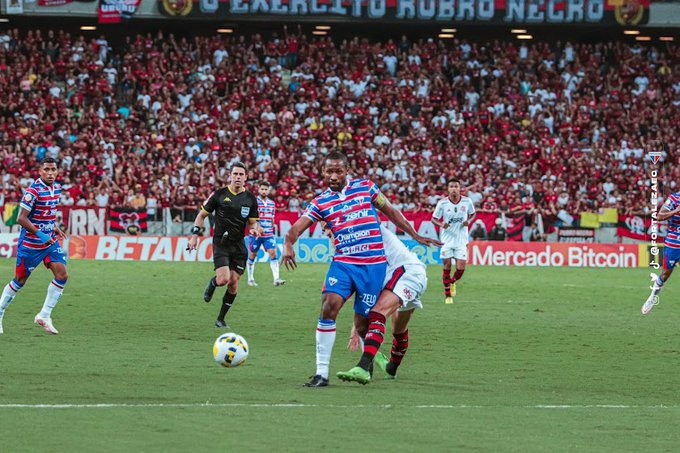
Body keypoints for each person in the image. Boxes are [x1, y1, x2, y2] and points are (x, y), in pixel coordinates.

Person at [282, 151, 439, 388]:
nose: (333, 175)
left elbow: (392, 212)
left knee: (365, 323)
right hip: (344, 263)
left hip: (373, 267)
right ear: (323, 172)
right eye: (329, 171)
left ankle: (368, 366)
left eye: (338, 170)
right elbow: (297, 228)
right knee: (328, 306)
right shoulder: (320, 202)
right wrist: (287, 243)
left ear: (346, 171)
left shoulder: (366, 188)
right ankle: (321, 374)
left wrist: (414, 234)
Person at [337, 226, 428, 384]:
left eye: (328, 229)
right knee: (398, 329)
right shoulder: (349, 246)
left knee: (377, 314)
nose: (328, 233)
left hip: (408, 271)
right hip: (393, 278)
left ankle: (363, 368)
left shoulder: (366, 226)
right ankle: (391, 368)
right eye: (325, 230)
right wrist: (356, 326)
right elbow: (365, 288)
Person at [187, 162, 263, 328]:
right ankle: (213, 283)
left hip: (238, 245)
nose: (237, 177)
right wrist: (194, 236)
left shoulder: (250, 199)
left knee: (234, 282)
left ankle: (220, 319)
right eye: (235, 174)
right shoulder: (219, 195)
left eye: (241, 174)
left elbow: (253, 223)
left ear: (246, 177)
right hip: (221, 243)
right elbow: (201, 216)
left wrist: (256, 229)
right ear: (230, 176)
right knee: (223, 280)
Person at [0, 157, 68, 335]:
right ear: (40, 171)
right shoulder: (33, 191)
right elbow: (21, 218)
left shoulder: (57, 188)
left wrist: (54, 228)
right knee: (19, 281)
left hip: (49, 242)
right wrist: (41, 234)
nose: (51, 173)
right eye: (47, 169)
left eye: (53, 169)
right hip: (31, 244)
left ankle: (44, 315)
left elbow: (46, 214)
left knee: (62, 275)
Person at [431, 179, 476, 305]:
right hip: (447, 240)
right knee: (447, 267)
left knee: (461, 268)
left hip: (461, 240)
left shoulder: (467, 201)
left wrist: (469, 221)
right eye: (451, 186)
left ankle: (452, 282)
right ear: (448, 189)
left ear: (460, 188)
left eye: (456, 186)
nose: (454, 188)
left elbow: (473, 214)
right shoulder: (442, 203)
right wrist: (441, 224)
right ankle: (448, 296)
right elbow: (433, 219)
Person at [642, 192, 680, 315]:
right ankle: (652, 297)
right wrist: (676, 211)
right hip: (674, 243)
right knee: (665, 275)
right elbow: (659, 216)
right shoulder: (674, 199)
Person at [245, 181, 285, 287]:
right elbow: (250, 218)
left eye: (265, 189)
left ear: (269, 190)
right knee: (253, 255)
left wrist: (272, 229)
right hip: (256, 235)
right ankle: (250, 279)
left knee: (273, 253)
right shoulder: (254, 202)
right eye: (262, 189)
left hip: (268, 234)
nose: (264, 191)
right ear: (258, 189)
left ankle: (276, 279)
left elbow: (272, 218)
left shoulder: (272, 203)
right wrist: (256, 227)